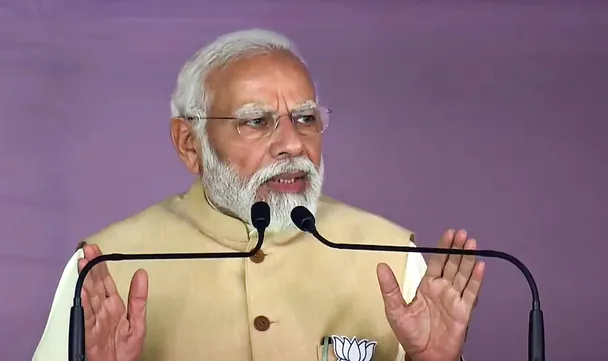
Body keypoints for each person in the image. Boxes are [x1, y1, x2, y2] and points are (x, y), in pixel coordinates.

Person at [31, 29, 484, 361]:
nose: (292, 144)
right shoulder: (104, 267)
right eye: (257, 121)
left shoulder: (390, 255)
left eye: (305, 118)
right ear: (190, 144)